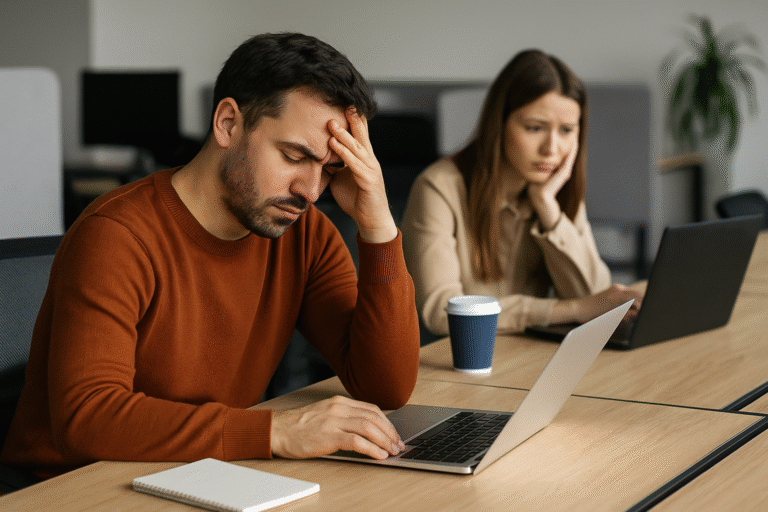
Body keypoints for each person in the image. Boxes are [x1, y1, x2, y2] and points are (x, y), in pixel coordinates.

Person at [1, 32, 420, 479]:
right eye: (294, 155)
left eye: (330, 169)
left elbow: (386, 386)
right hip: (64, 488)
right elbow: (88, 418)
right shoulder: (117, 235)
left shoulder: (305, 234)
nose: (311, 191)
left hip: (193, 472)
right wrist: (273, 430)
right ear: (227, 124)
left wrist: (377, 227)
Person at [401, 49, 642, 336]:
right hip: (456, 363)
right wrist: (573, 310)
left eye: (566, 130)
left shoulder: (554, 191)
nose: (551, 149)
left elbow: (597, 299)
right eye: (534, 128)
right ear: (499, 124)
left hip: (526, 355)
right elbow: (442, 312)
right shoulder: (438, 187)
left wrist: (548, 210)